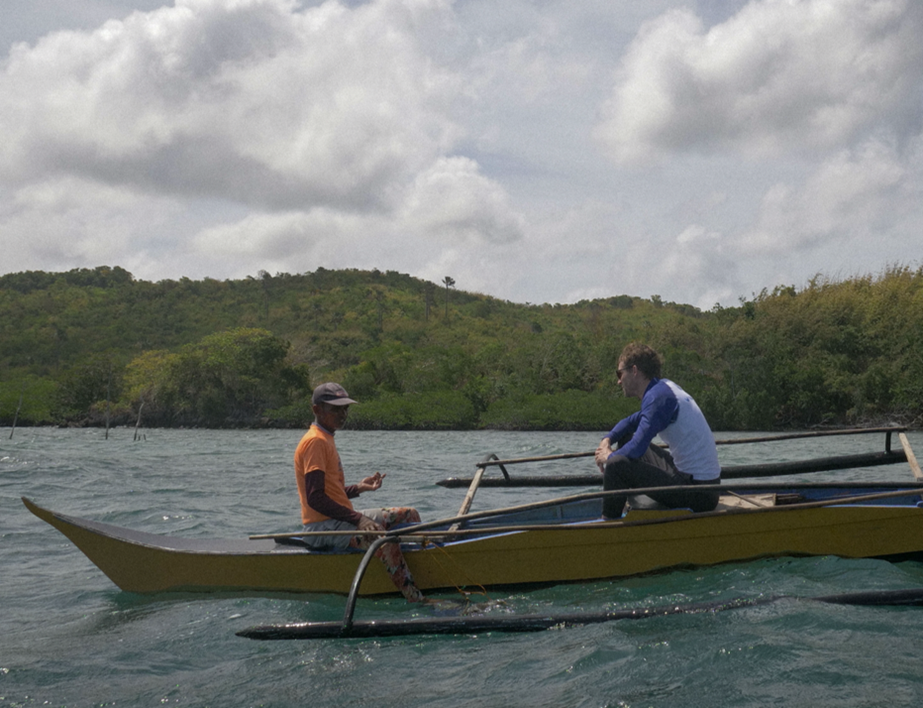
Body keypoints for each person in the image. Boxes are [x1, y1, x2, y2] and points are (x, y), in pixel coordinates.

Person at [294, 382, 426, 602]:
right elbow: (315, 498)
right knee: (383, 538)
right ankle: (414, 597)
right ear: (317, 410)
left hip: (338, 518)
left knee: (407, 514)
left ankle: (413, 567)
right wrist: (359, 520)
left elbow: (331, 493)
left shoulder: (326, 438)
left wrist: (359, 488)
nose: (342, 414)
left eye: (345, 408)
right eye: (335, 409)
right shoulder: (315, 442)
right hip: (322, 527)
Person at [595, 343, 721, 519]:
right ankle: (632, 504)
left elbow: (637, 449)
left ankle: (609, 524)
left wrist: (607, 456)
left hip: (700, 494)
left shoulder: (658, 398)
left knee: (616, 465)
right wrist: (607, 439)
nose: (618, 380)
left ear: (634, 370)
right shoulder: (662, 389)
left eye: (620, 374)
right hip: (693, 481)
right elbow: (631, 421)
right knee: (625, 439)